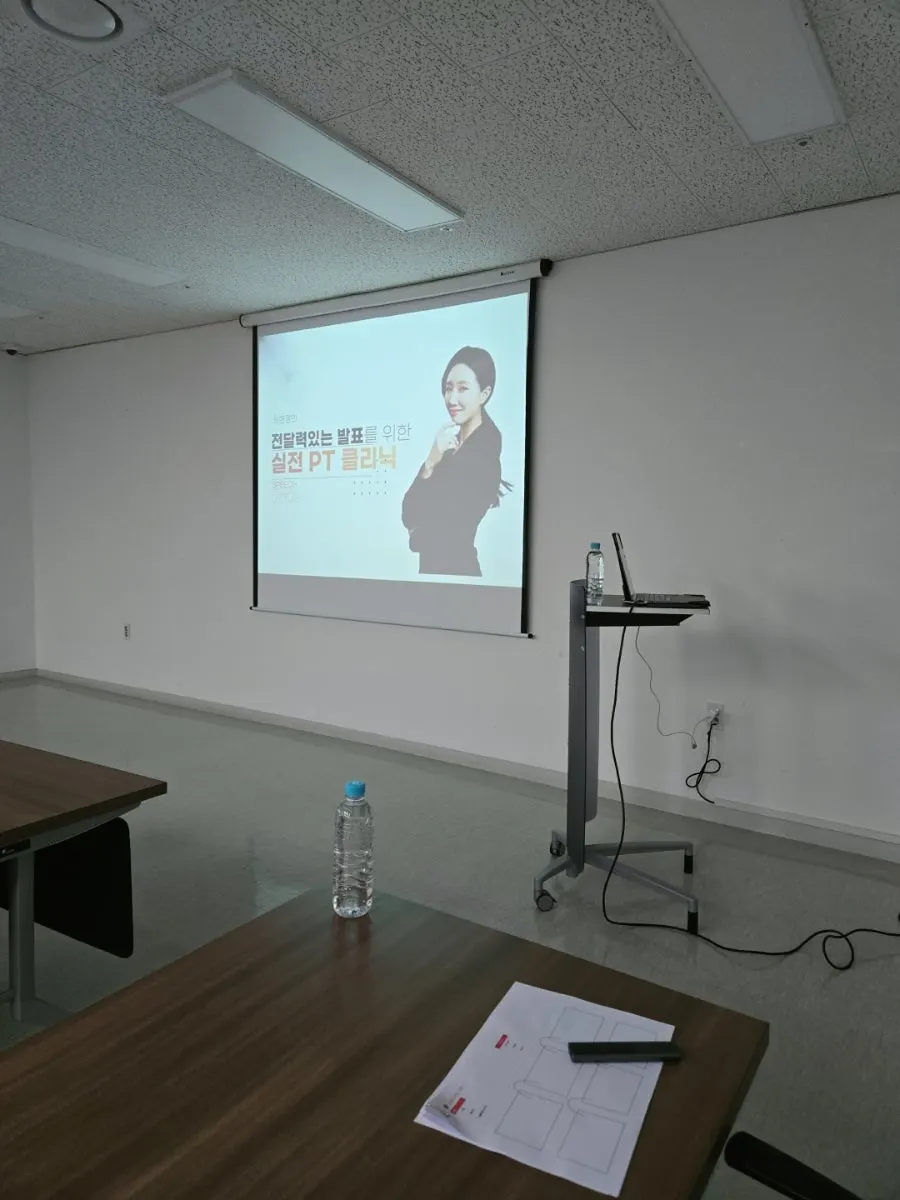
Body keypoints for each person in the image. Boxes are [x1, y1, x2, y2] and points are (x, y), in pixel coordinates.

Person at [402, 346, 508, 577]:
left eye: (463, 389)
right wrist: (431, 461)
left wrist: (416, 535)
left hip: (459, 576)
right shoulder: (447, 448)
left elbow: (449, 532)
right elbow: (408, 512)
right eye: (448, 388)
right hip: (433, 577)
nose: (452, 398)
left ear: (484, 394)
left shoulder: (485, 456)